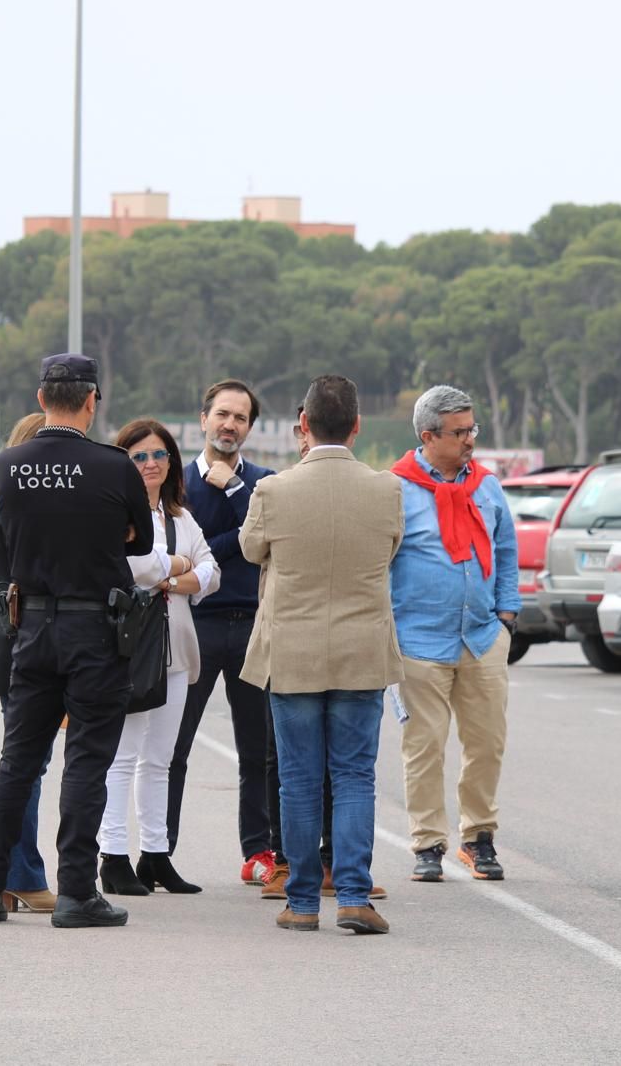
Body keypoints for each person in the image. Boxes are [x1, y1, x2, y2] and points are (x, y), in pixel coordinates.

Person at [0, 353, 154, 929]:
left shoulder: (10, 464)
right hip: (94, 628)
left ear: (40, 397)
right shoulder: (114, 466)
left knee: (17, 761)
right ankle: (76, 892)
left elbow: (8, 536)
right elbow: (140, 540)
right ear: (92, 400)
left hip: (33, 628)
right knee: (86, 763)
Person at [240, 375, 405, 933]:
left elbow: (249, 548)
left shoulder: (274, 490)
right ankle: (355, 894)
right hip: (362, 650)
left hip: (293, 651)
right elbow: (391, 549)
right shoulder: (386, 489)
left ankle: (303, 901)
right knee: (356, 775)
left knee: (299, 778)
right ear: (357, 427)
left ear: (303, 426)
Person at [390, 385, 520, 883]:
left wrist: (507, 615)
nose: (470, 440)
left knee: (486, 742)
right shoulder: (396, 489)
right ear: (428, 436)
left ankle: (478, 837)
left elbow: (505, 548)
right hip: (419, 641)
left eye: (473, 430)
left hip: (483, 638)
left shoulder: (486, 486)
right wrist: (391, 630)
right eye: (460, 432)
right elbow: (382, 562)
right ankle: (427, 843)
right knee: (423, 747)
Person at [97, 419, 218, 895]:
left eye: (159, 455)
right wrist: (179, 567)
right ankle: (113, 855)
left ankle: (155, 853)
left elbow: (213, 571)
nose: (150, 464)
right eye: (139, 456)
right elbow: (132, 566)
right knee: (122, 757)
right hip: (129, 649)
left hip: (177, 651)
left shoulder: (181, 518)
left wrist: (172, 577)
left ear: (172, 462)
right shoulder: (115, 514)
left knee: (161, 760)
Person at [171, 379, 282, 888]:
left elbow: (264, 541)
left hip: (253, 625)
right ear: (203, 419)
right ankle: (158, 850)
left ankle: (259, 851)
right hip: (195, 624)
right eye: (222, 414)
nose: (229, 424)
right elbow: (201, 553)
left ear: (251, 427)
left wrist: (234, 492)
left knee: (258, 750)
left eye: (240, 417)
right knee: (174, 744)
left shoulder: (263, 484)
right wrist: (231, 543)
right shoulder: (175, 485)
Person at [0, 412, 57, 913]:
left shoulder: (5, 510)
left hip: (14, 643)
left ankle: (1, 873)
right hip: (29, 644)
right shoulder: (22, 515)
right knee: (26, 764)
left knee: (22, 762)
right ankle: (15, 871)